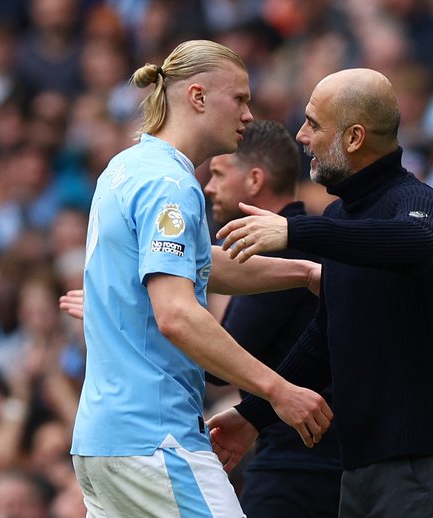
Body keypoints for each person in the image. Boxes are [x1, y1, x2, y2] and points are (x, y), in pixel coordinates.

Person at [70, 40, 332, 518]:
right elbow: (175, 315)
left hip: (101, 442)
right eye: (240, 98)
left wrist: (303, 272)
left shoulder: (125, 167)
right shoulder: (169, 185)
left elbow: (204, 262)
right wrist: (279, 390)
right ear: (197, 97)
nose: (249, 114)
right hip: (155, 438)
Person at [208, 68, 433, 517]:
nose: (301, 135)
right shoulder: (339, 217)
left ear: (354, 138)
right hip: (360, 466)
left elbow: (416, 243)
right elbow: (323, 336)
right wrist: (253, 416)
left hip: (421, 461)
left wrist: (297, 231)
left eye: (314, 124)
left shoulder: (414, 200)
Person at [204, 119, 342, 517]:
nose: (209, 187)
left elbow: (220, 363)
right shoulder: (310, 243)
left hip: (298, 466)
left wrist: (152, 308)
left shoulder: (283, 253)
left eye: (217, 173)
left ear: (254, 180)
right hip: (317, 458)